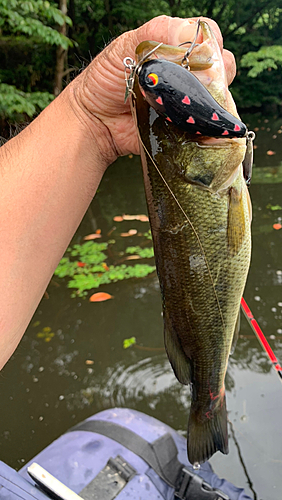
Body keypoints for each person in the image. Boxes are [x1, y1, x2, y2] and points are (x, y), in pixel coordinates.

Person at [0, 16, 236, 370]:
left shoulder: (219, 168)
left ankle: (207, 387)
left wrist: (90, 116)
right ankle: (209, 391)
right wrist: (90, 115)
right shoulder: (227, 166)